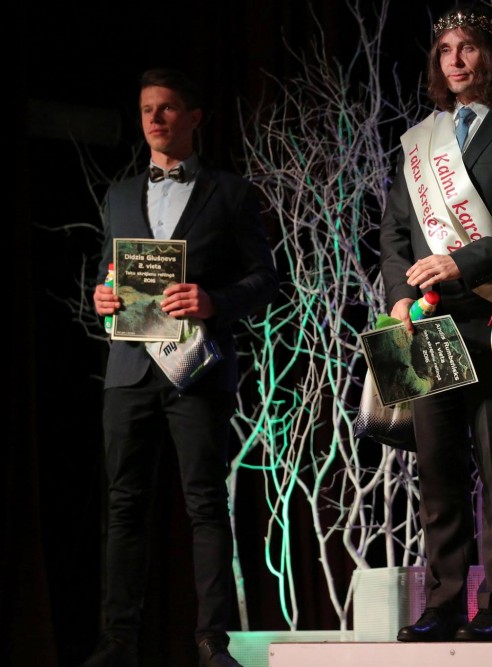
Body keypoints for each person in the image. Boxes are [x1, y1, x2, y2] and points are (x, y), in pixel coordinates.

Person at [379, 5, 492, 643]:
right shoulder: (418, 140)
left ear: (491, 55)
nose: (456, 60)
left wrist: (460, 261)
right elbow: (396, 233)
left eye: (468, 47)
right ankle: (443, 605)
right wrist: (399, 296)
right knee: (438, 471)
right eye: (445, 50)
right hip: (428, 322)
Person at [86, 68, 278, 667]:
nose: (155, 118)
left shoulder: (231, 192)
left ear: (194, 117)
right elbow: (109, 272)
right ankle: (118, 642)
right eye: (147, 108)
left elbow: (266, 279)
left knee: (205, 505)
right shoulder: (120, 195)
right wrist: (102, 297)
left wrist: (214, 300)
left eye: (167, 108)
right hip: (129, 370)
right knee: (123, 506)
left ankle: (211, 641)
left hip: (195, 371)